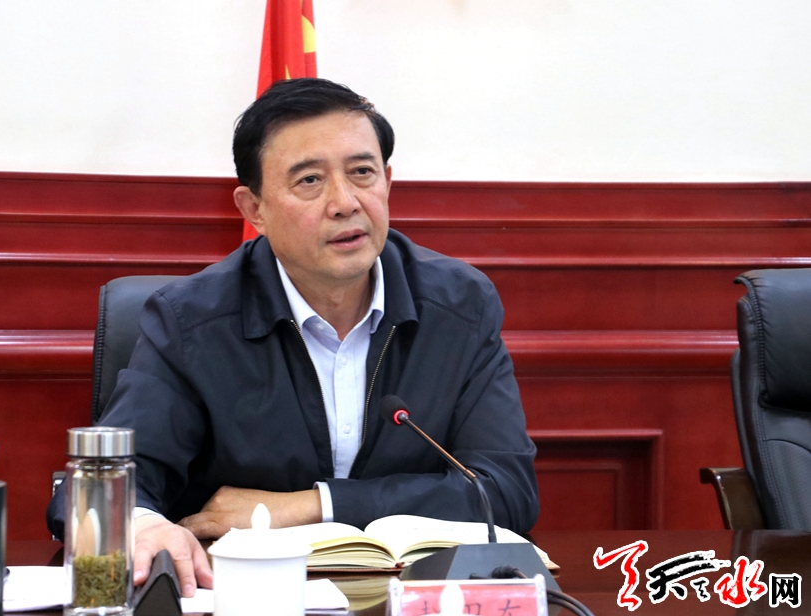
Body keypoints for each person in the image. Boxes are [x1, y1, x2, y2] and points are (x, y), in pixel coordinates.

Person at [47, 78, 539, 596]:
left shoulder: (460, 306)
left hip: (408, 598)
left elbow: (505, 489)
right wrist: (145, 526)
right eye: (309, 180)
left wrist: (312, 505)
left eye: (362, 173)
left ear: (388, 181)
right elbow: (101, 486)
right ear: (253, 209)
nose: (345, 203)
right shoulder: (191, 321)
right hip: (244, 595)